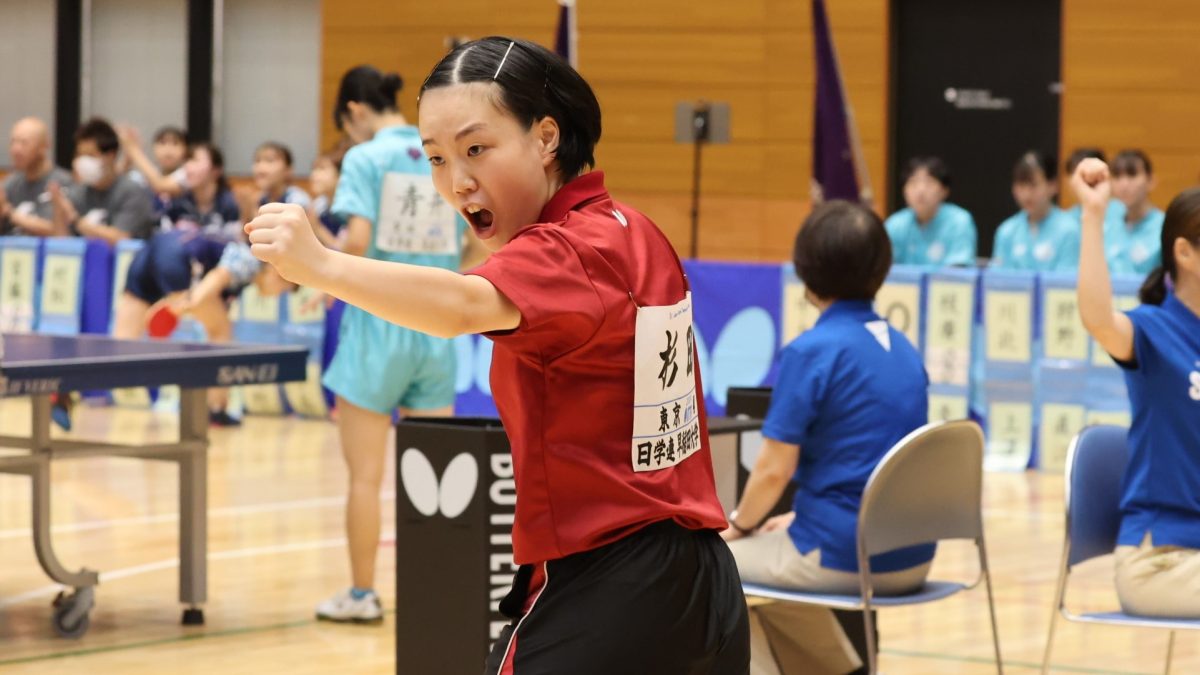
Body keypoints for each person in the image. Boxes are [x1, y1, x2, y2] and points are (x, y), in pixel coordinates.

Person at [246, 38, 749, 673]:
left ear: (546, 137)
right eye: (436, 158)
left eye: (476, 149)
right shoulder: (637, 229)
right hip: (705, 587)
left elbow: (462, 306)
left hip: (610, 588)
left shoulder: (563, 250)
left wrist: (320, 266)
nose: (456, 182)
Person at [722, 200, 934, 674]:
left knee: (713, 568)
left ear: (807, 270)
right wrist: (803, 517)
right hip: (912, 556)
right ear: (881, 269)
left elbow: (775, 469)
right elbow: (873, 464)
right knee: (774, 568)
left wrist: (739, 524)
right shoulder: (905, 351)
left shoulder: (812, 351)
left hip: (843, 555)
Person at [294, 64, 468, 624]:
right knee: (437, 472)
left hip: (376, 327)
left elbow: (359, 243)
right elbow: (478, 246)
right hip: (439, 324)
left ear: (352, 112)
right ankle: (442, 595)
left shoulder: (364, 158)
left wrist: (314, 249)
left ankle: (363, 594)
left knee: (366, 477)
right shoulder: (445, 152)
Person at [1072, 158, 1200, 619]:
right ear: (1185, 254)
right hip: (1158, 561)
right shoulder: (1152, 332)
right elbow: (1097, 317)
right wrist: (1093, 216)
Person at [112, 143, 253, 426]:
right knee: (220, 329)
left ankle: (67, 392)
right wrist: (188, 301)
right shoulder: (250, 259)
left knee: (120, 345)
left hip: (146, 256)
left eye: (195, 159)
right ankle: (216, 407)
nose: (187, 166)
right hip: (175, 259)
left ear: (216, 170)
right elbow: (216, 278)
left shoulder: (230, 202)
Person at [52, 118, 155, 244]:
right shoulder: (78, 192)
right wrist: (59, 210)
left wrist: (76, 220)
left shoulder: (131, 192)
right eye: (80, 155)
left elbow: (119, 238)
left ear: (110, 156)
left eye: (90, 155)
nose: (82, 162)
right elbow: (61, 242)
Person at [990, 150, 1079, 271]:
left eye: (1033, 185)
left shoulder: (1070, 230)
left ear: (1053, 185)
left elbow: (1066, 283)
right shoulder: (1006, 231)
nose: (1026, 195)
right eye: (1021, 186)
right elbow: (997, 281)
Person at [883, 156, 976, 267]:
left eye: (929, 183)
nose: (921, 190)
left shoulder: (959, 221)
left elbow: (959, 269)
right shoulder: (895, 224)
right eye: (913, 183)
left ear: (944, 190)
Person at [1, 117, 73, 236]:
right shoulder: (10, 184)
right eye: (13, 142)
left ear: (44, 146)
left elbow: (57, 231)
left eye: (24, 143)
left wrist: (10, 214)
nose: (16, 149)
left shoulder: (64, 182)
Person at [1105, 149, 1164, 277]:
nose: (1124, 184)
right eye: (1117, 176)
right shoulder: (1106, 224)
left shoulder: (1165, 227)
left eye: (1132, 175)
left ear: (1151, 181)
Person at [119, 124, 189, 212]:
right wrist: (127, 158)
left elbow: (161, 185)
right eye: (162, 143)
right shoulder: (150, 174)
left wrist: (133, 149)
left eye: (175, 143)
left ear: (186, 149)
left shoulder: (187, 173)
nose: (168, 150)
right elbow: (117, 181)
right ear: (154, 148)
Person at [1063, 147, 1123, 224]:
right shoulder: (1066, 220)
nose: (1086, 181)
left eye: (1089, 175)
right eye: (1079, 175)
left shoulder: (1122, 212)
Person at [306, 149, 348, 249]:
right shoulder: (318, 205)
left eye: (322, 169)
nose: (314, 175)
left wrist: (318, 228)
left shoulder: (348, 208)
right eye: (313, 169)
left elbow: (346, 251)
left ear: (340, 175)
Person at [253, 141, 312, 210]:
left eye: (269, 160)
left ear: (288, 169)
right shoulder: (260, 199)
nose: (261, 167)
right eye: (257, 161)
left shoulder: (297, 201)